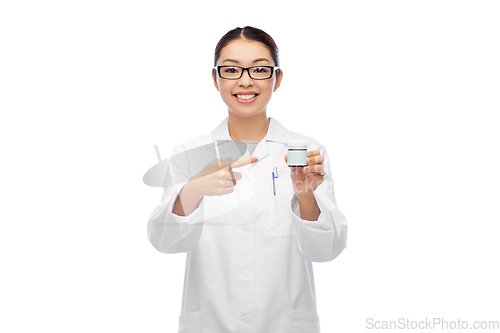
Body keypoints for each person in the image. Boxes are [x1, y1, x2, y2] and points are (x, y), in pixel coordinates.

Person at [147, 26, 347, 333]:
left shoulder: (306, 152)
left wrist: (306, 196)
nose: (245, 80)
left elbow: (326, 250)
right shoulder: (190, 154)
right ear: (215, 78)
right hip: (212, 324)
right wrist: (194, 189)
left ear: (277, 79)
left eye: (259, 69)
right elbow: (164, 242)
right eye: (231, 69)